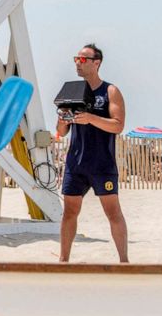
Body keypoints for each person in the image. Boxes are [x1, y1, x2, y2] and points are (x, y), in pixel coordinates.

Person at [56, 43, 129, 263]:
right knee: (69, 211)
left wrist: (91, 118)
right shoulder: (72, 90)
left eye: (83, 59)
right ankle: (63, 261)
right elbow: (61, 131)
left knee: (112, 212)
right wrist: (62, 120)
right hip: (75, 162)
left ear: (96, 63)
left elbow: (118, 125)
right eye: (76, 59)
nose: (78, 63)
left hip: (102, 163)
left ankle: (124, 262)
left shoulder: (110, 91)